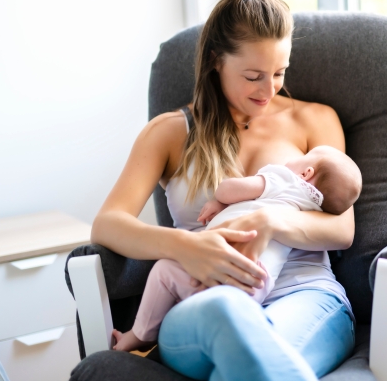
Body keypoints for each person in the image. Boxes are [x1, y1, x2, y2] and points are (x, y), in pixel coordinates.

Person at [90, 0, 356, 381]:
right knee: (228, 318)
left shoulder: (314, 120)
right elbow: (108, 223)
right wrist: (188, 247)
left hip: (305, 294)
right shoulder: (168, 133)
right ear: (216, 60)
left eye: (279, 73)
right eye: (254, 76)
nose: (270, 90)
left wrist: (271, 222)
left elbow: (342, 228)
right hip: (202, 299)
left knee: (243, 364)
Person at [111, 146, 362, 352]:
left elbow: (229, 189)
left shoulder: (284, 179)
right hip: (258, 282)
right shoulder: (315, 209)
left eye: (302, 157)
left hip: (221, 268)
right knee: (242, 343)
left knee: (164, 271)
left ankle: (140, 334)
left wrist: (221, 198)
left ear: (306, 172)